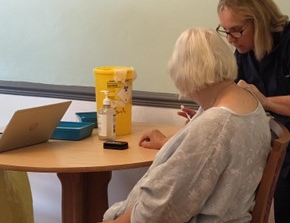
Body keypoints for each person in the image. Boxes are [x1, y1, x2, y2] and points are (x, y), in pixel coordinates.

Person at [179, 0, 290, 222]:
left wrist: (265, 101)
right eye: (225, 30)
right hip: (286, 153)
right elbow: (229, 95)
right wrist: (201, 116)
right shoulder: (244, 52)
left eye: (236, 30)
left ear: (259, 19)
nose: (230, 39)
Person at [100, 27, 271, 223]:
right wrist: (168, 141)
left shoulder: (215, 124)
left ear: (184, 73)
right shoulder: (245, 100)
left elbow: (160, 210)